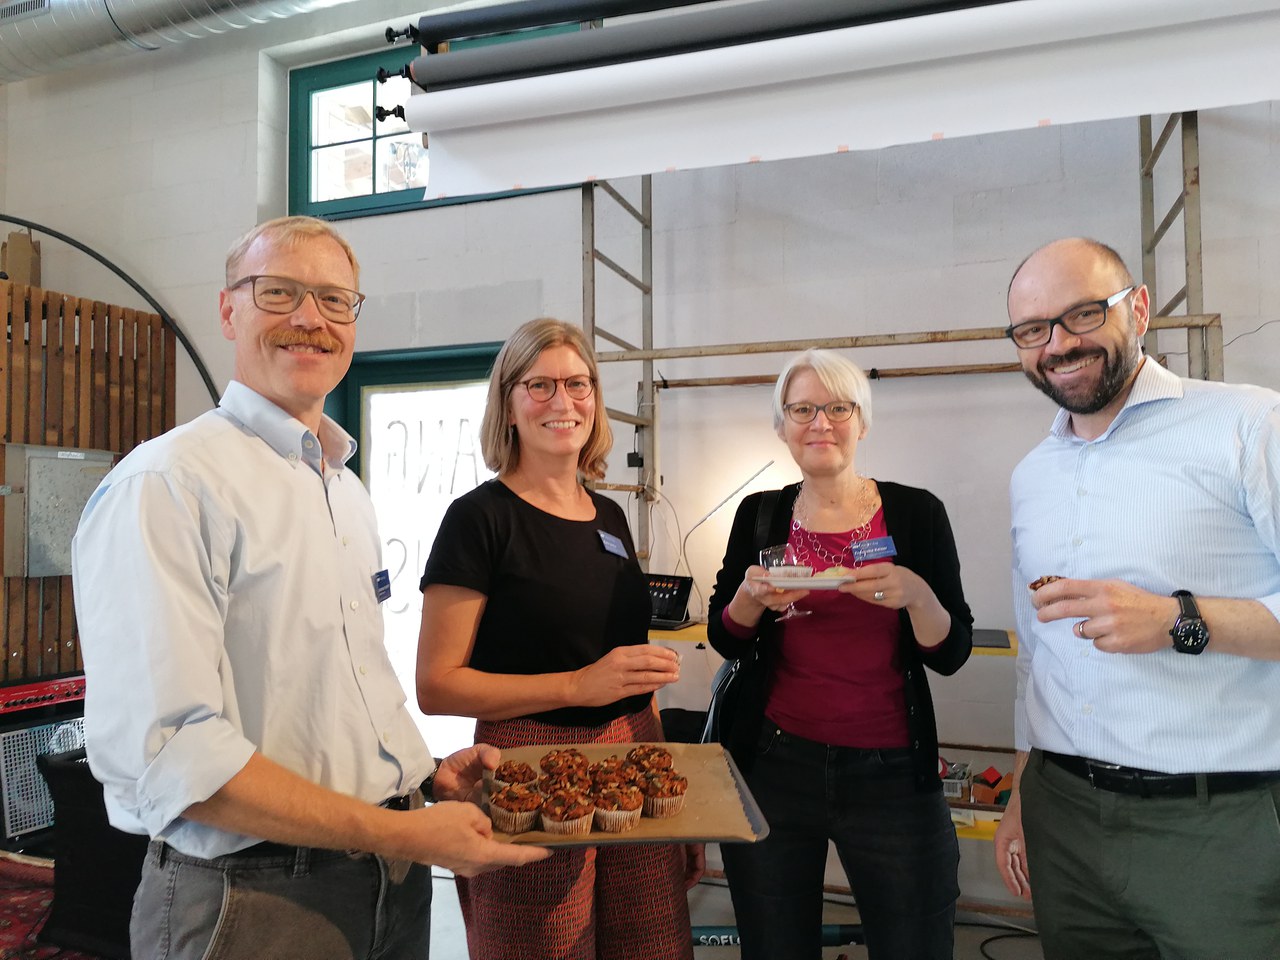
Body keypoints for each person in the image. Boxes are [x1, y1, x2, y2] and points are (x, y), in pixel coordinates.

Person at [71, 216, 548, 960]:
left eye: (333, 300)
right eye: (279, 292)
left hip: (387, 880)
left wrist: (421, 776)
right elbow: (174, 757)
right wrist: (397, 830)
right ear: (228, 309)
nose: (309, 318)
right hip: (252, 899)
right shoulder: (169, 485)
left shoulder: (342, 487)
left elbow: (339, 683)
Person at [995, 237, 1280, 959]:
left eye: (1083, 314)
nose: (1058, 344)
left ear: (1140, 308)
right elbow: (1038, 657)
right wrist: (1023, 797)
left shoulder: (1247, 426)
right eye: (1033, 331)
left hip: (1216, 820)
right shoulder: (1033, 475)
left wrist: (1181, 620)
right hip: (1064, 816)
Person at [416, 317, 702, 960]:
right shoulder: (478, 519)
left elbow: (627, 667)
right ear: (509, 403)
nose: (562, 402)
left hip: (634, 755)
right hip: (527, 769)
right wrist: (577, 685)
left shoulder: (609, 515)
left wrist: (668, 787)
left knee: (652, 946)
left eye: (578, 384)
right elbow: (436, 687)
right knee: (545, 947)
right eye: (539, 385)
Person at [706, 348, 973, 960]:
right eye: (802, 409)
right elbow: (726, 638)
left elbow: (951, 651)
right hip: (774, 765)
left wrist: (917, 595)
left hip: (893, 776)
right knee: (774, 944)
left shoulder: (916, 512)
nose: (819, 422)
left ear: (862, 420)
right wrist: (750, 598)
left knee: (915, 940)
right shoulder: (760, 514)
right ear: (781, 425)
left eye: (837, 407)